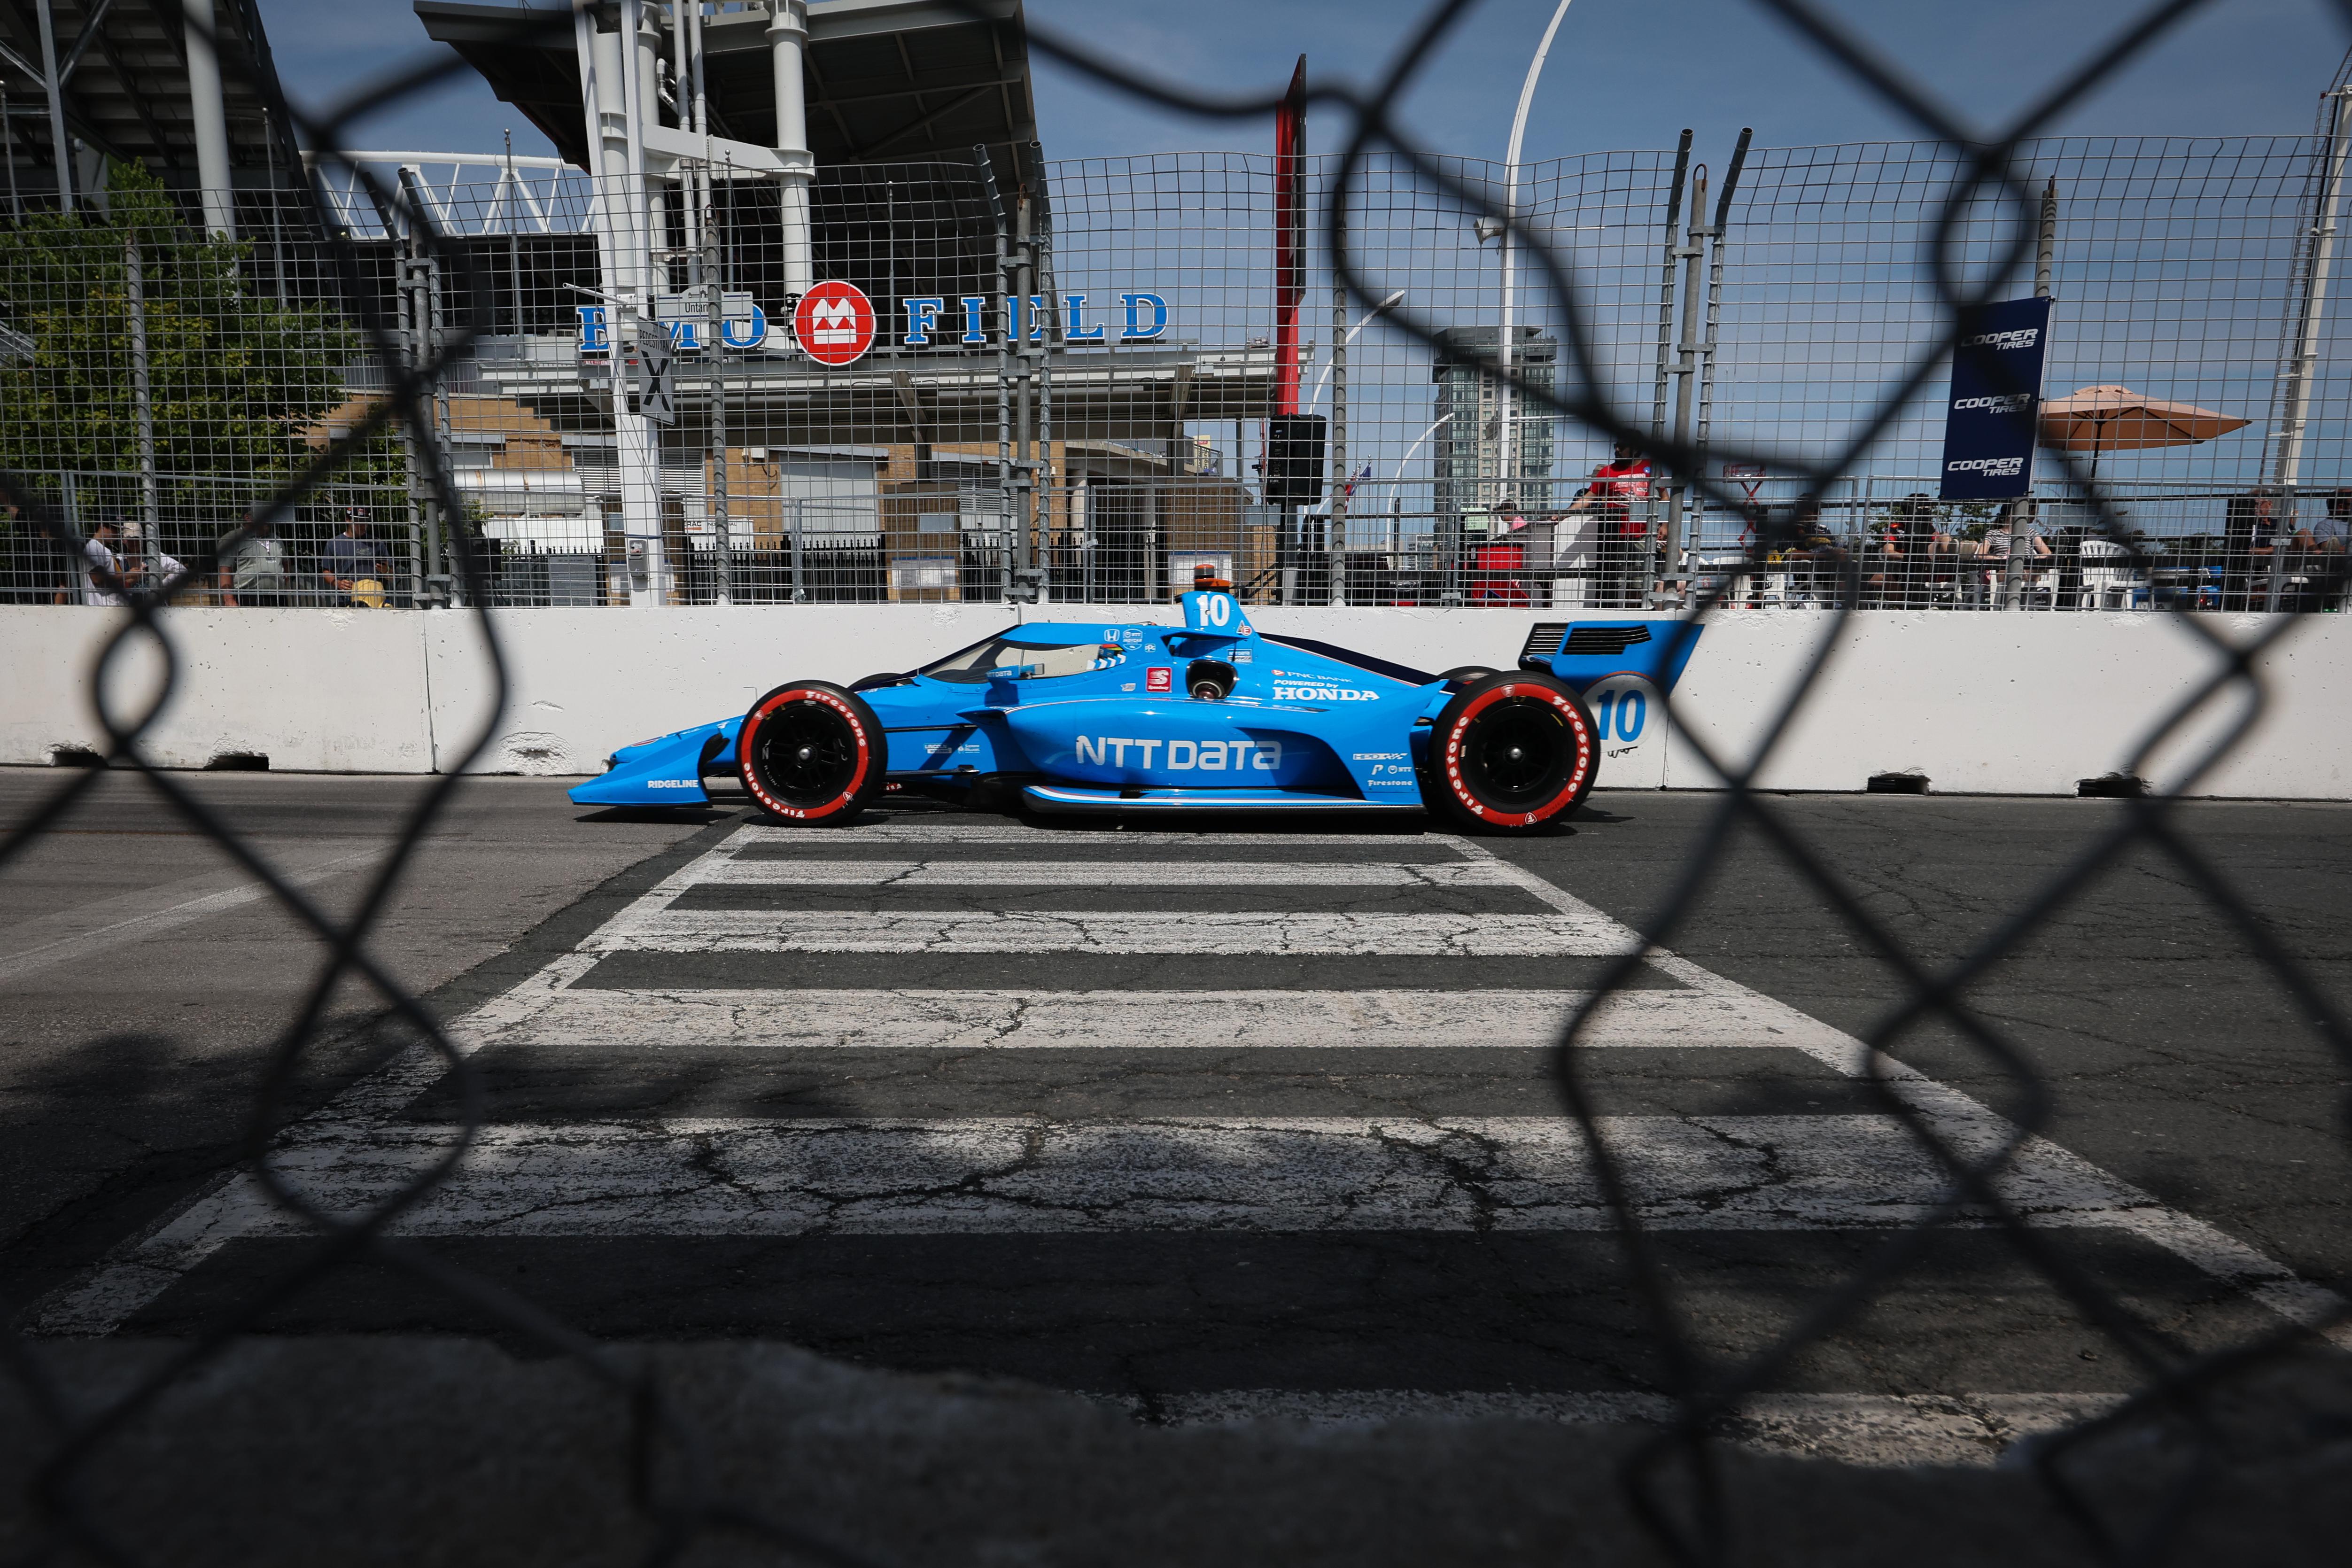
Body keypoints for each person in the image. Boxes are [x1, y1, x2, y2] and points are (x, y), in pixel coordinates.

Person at [1564, 442, 1654, 608]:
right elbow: (1589, 497)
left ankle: (1633, 616)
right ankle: (1610, 613)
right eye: (1616, 446)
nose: (1617, 450)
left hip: (1642, 535)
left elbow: (1664, 496)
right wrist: (1566, 513)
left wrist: (1665, 525)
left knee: (1638, 583)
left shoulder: (1651, 468)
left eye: (1621, 446)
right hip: (1614, 536)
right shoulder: (1608, 471)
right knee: (1611, 581)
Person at [2220, 491, 2278, 612]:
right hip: (2254, 572)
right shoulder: (2247, 527)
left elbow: (2290, 544)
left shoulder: (2280, 524)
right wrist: (2267, 550)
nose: (2255, 508)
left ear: (2269, 504)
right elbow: (2241, 549)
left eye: (2259, 504)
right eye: (2253, 505)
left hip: (2280, 569)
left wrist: (2270, 550)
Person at [320, 510, 391, 606]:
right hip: (346, 601)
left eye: (365, 522)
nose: (363, 525)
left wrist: (386, 571)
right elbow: (326, 572)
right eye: (358, 522)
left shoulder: (377, 543)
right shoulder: (334, 544)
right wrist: (338, 583)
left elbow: (392, 575)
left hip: (374, 601)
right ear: (348, 520)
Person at [217, 515, 290, 607]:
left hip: (278, 597)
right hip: (248, 597)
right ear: (248, 518)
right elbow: (225, 569)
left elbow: (286, 560)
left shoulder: (276, 539)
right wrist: (229, 600)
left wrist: (285, 579)